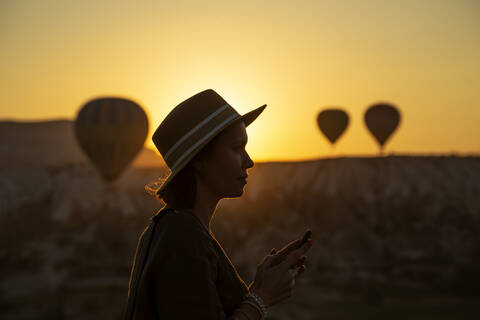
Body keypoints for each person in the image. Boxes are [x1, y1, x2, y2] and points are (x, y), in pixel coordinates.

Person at [124, 89, 313, 320]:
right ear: (201, 160)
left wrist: (260, 286)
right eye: (237, 148)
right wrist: (261, 298)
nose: (249, 161)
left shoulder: (174, 228)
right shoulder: (182, 235)